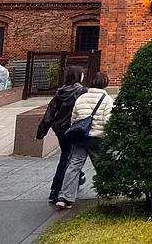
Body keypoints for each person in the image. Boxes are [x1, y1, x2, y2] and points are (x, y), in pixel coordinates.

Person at [55, 71, 113, 210]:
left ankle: (65, 197)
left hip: (79, 137)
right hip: (97, 137)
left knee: (74, 166)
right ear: (105, 83)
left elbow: (74, 119)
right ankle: (108, 191)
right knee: (101, 164)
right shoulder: (107, 100)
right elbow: (108, 121)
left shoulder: (81, 98)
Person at [37, 65, 87, 203]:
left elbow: (50, 112)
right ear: (78, 76)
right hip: (73, 129)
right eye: (82, 74)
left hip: (59, 130)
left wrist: (42, 131)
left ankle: (75, 178)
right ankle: (56, 189)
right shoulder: (81, 91)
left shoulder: (60, 92)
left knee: (68, 155)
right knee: (67, 158)